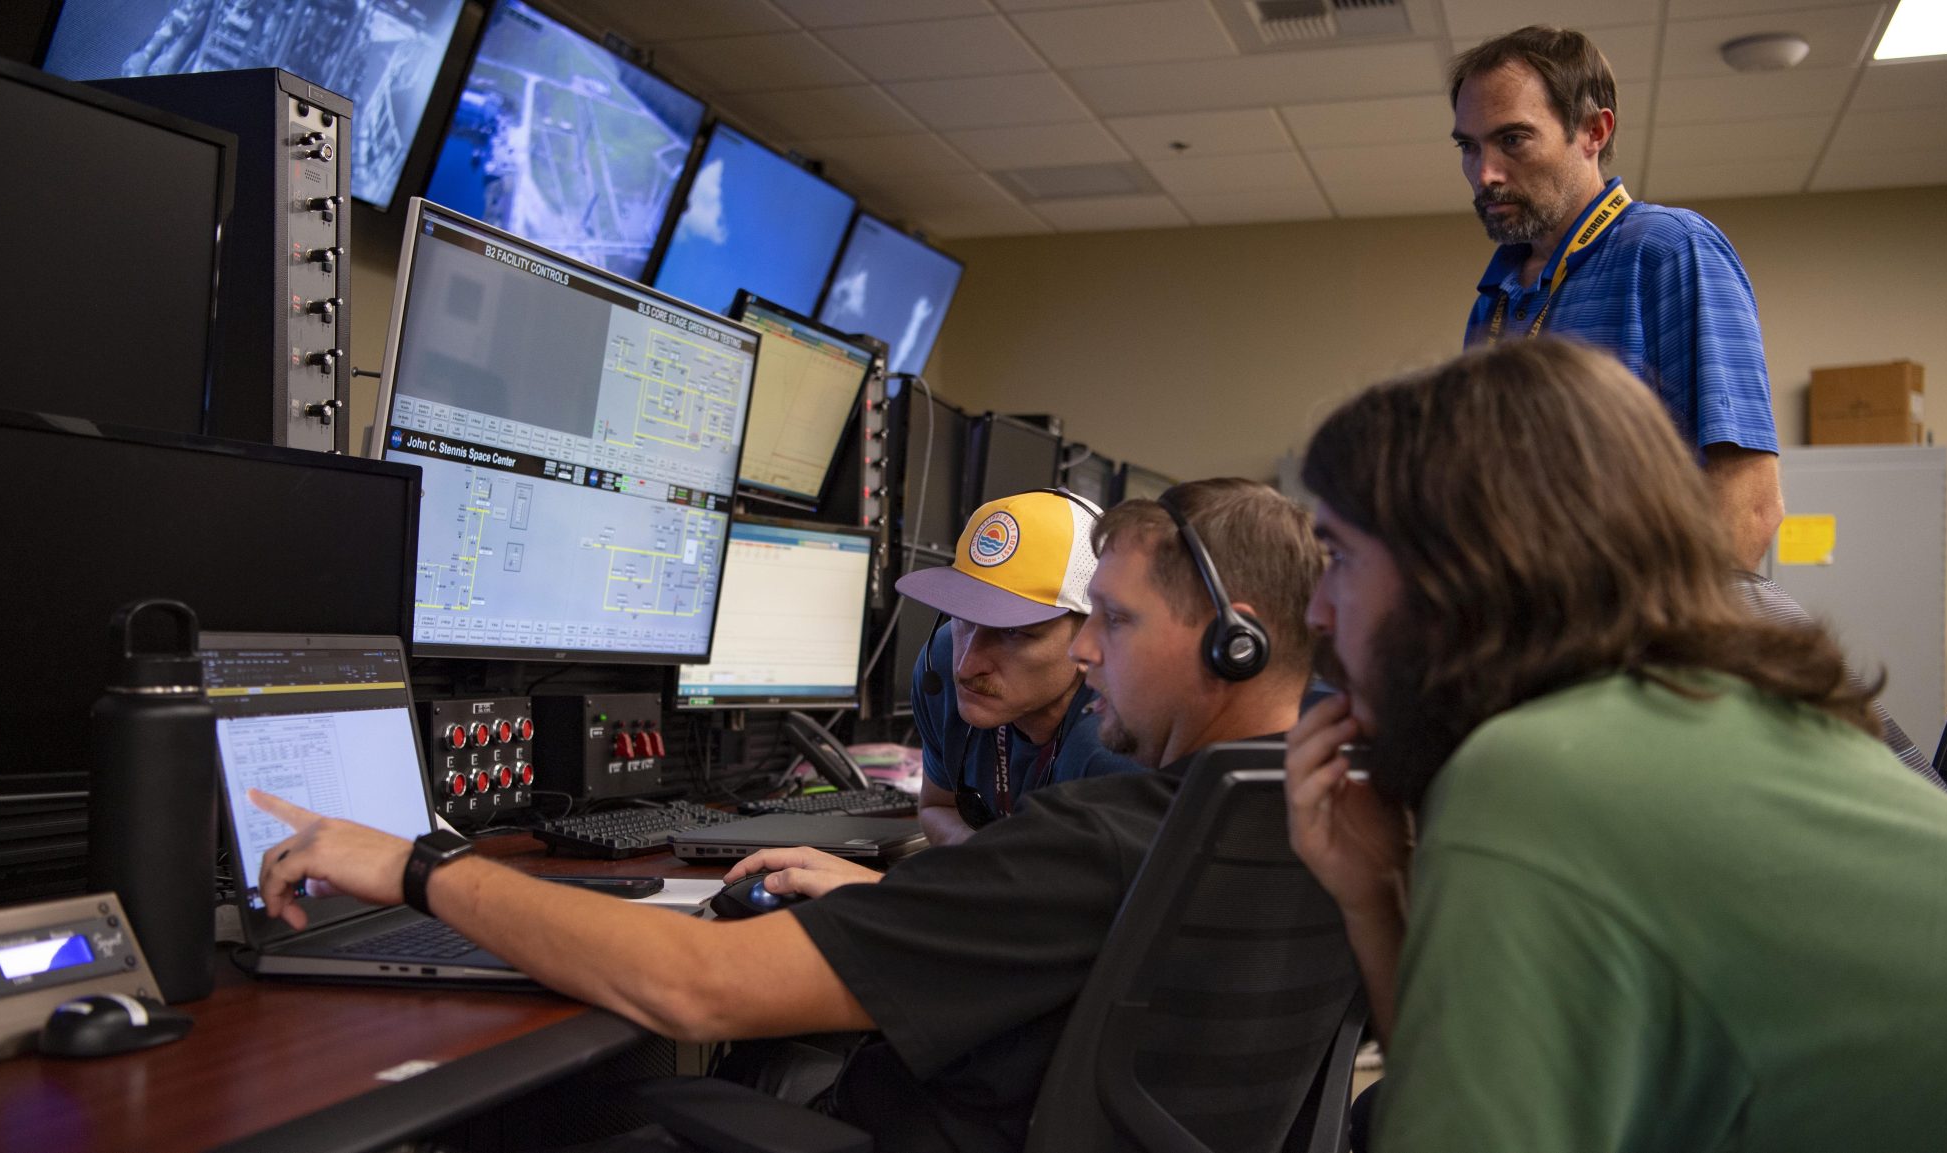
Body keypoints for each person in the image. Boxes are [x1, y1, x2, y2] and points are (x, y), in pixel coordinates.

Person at [249, 477, 1321, 1153]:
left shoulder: (1096, 834)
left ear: (1236, 638)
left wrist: (419, 867)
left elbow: (691, 985)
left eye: (1115, 622)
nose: (1088, 653)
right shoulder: (1321, 821)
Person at [1285, 339, 1947, 1152]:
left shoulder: (1539, 770)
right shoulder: (1728, 703)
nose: (1315, 611)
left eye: (1339, 556)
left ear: (1466, 565)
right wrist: (1375, 899)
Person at [1451, 25, 1784, 569]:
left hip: (1639, 638)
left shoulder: (1669, 249)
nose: (1484, 174)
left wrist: (1670, 652)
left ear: (1593, 131)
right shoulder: (1494, 303)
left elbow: (1748, 501)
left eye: (1512, 140)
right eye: (1469, 146)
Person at [896, 490, 1139, 846]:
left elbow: (1075, 895)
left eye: (1013, 632)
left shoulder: (1116, 737)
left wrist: (885, 889)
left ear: (1094, 635)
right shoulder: (942, 656)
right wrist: (982, 865)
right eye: (963, 618)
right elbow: (938, 808)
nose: (966, 667)